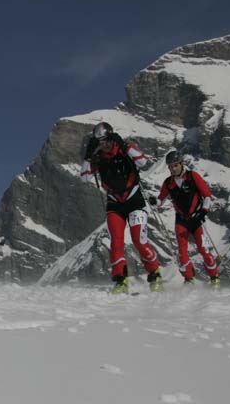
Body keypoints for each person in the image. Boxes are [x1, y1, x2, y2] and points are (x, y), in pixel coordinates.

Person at [81, 122, 162, 294]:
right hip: (114, 203)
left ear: (112, 138)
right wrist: (88, 156)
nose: (103, 145)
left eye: (106, 140)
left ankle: (155, 274)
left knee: (139, 240)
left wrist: (125, 146)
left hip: (134, 200)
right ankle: (120, 281)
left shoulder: (124, 148)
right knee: (116, 242)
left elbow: (143, 162)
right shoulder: (98, 157)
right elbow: (85, 178)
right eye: (99, 142)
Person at [149, 151, 221, 289]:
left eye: (175, 165)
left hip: (196, 218)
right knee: (182, 252)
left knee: (203, 250)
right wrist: (155, 201)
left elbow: (207, 195)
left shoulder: (193, 176)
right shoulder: (168, 183)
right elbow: (161, 200)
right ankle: (189, 279)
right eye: (170, 167)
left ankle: (214, 277)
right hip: (181, 220)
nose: (173, 169)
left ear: (181, 164)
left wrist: (203, 212)